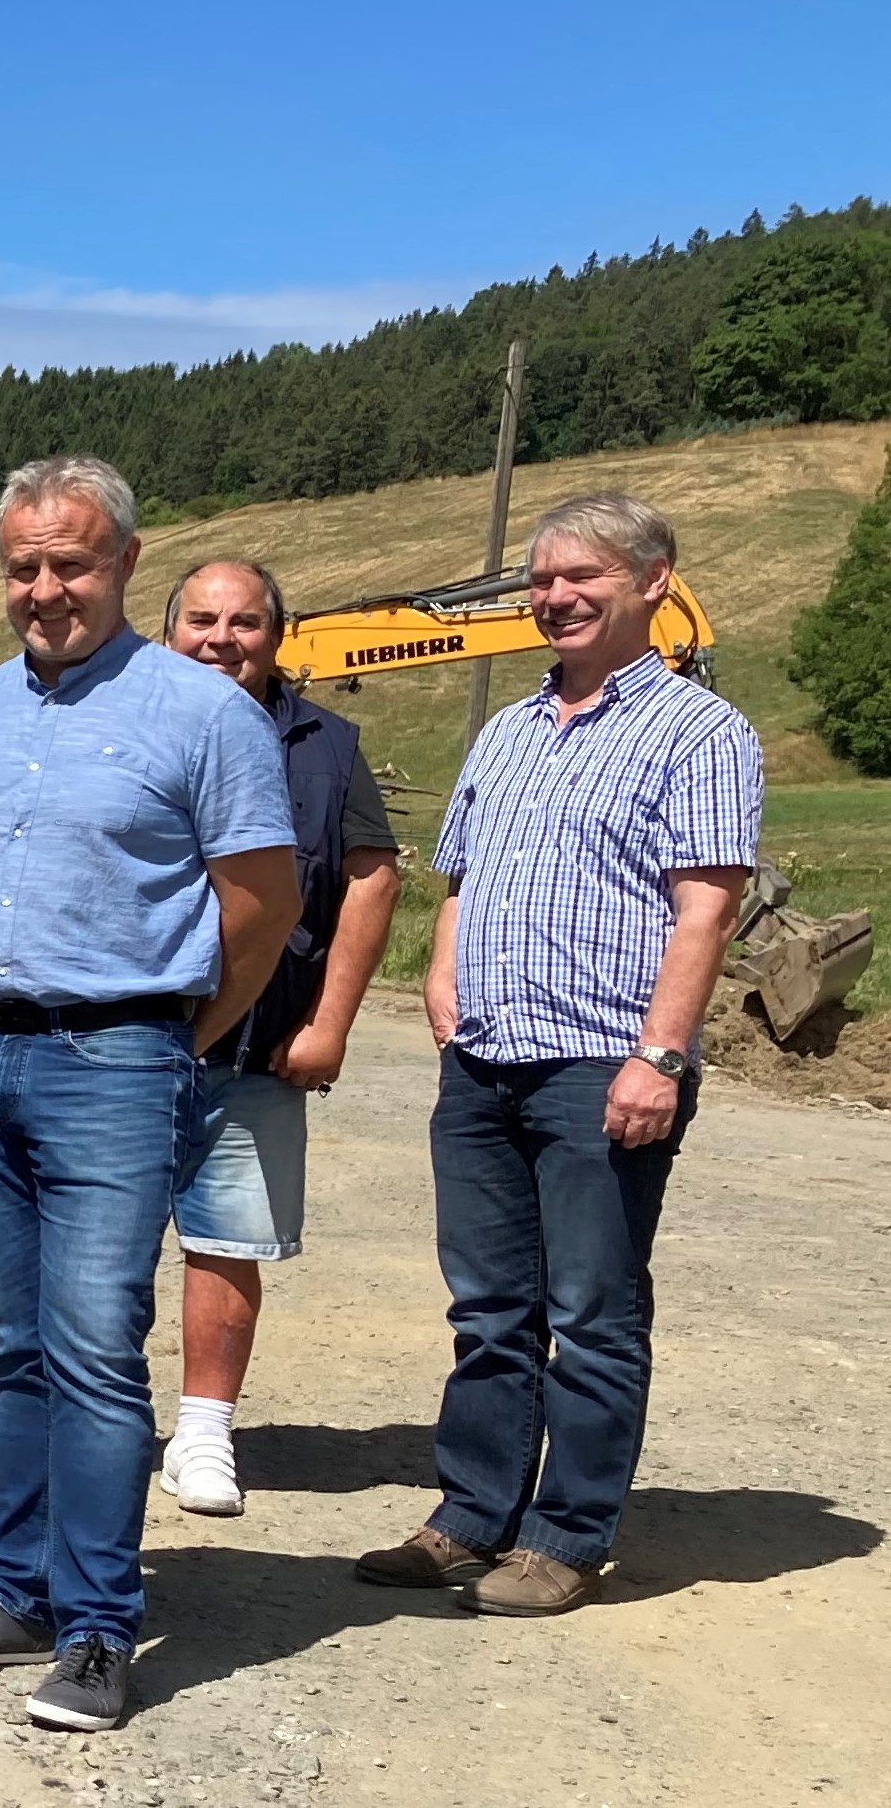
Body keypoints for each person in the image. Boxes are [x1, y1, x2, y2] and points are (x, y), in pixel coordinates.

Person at [0, 457, 296, 1734]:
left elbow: (263, 901)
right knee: (6, 1346)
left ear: (122, 561)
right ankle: (16, 1589)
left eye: (70, 562)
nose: (44, 587)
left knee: (92, 1349)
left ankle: (100, 1624)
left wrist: (176, 1035)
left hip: (119, 1058)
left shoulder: (203, 713)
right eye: (22, 566)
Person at [357, 493, 757, 1618]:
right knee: (487, 1306)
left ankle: (566, 1536)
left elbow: (702, 914)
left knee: (589, 1311)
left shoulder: (697, 732)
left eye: (580, 576)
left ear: (652, 581)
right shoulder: (508, 729)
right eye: (540, 579)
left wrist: (659, 1059)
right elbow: (462, 880)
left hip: (601, 1065)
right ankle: (470, 1516)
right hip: (483, 1063)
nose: (554, 597)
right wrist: (442, 982)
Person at [155, 559, 402, 1516]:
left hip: (255, 1046)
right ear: (168, 629)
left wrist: (329, 1023)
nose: (223, 639)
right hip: (124, 1041)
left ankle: (205, 1431)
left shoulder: (326, 746)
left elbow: (371, 880)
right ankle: (74, 1417)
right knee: (99, 1243)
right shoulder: (121, 719)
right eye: (203, 620)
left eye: (246, 622)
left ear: (278, 636)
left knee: (225, 1239)